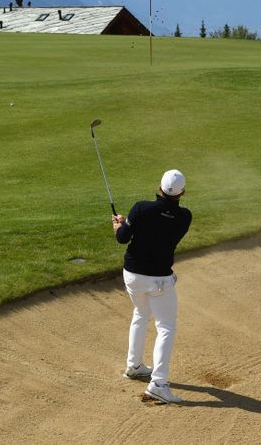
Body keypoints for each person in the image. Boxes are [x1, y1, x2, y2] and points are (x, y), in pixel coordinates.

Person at [112, 169, 192, 404]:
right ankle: (158, 383)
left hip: (133, 276)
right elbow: (162, 227)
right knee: (165, 327)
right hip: (158, 280)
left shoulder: (140, 208)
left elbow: (122, 238)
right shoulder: (185, 217)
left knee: (140, 313)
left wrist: (120, 225)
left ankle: (134, 366)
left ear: (159, 187)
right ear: (182, 192)